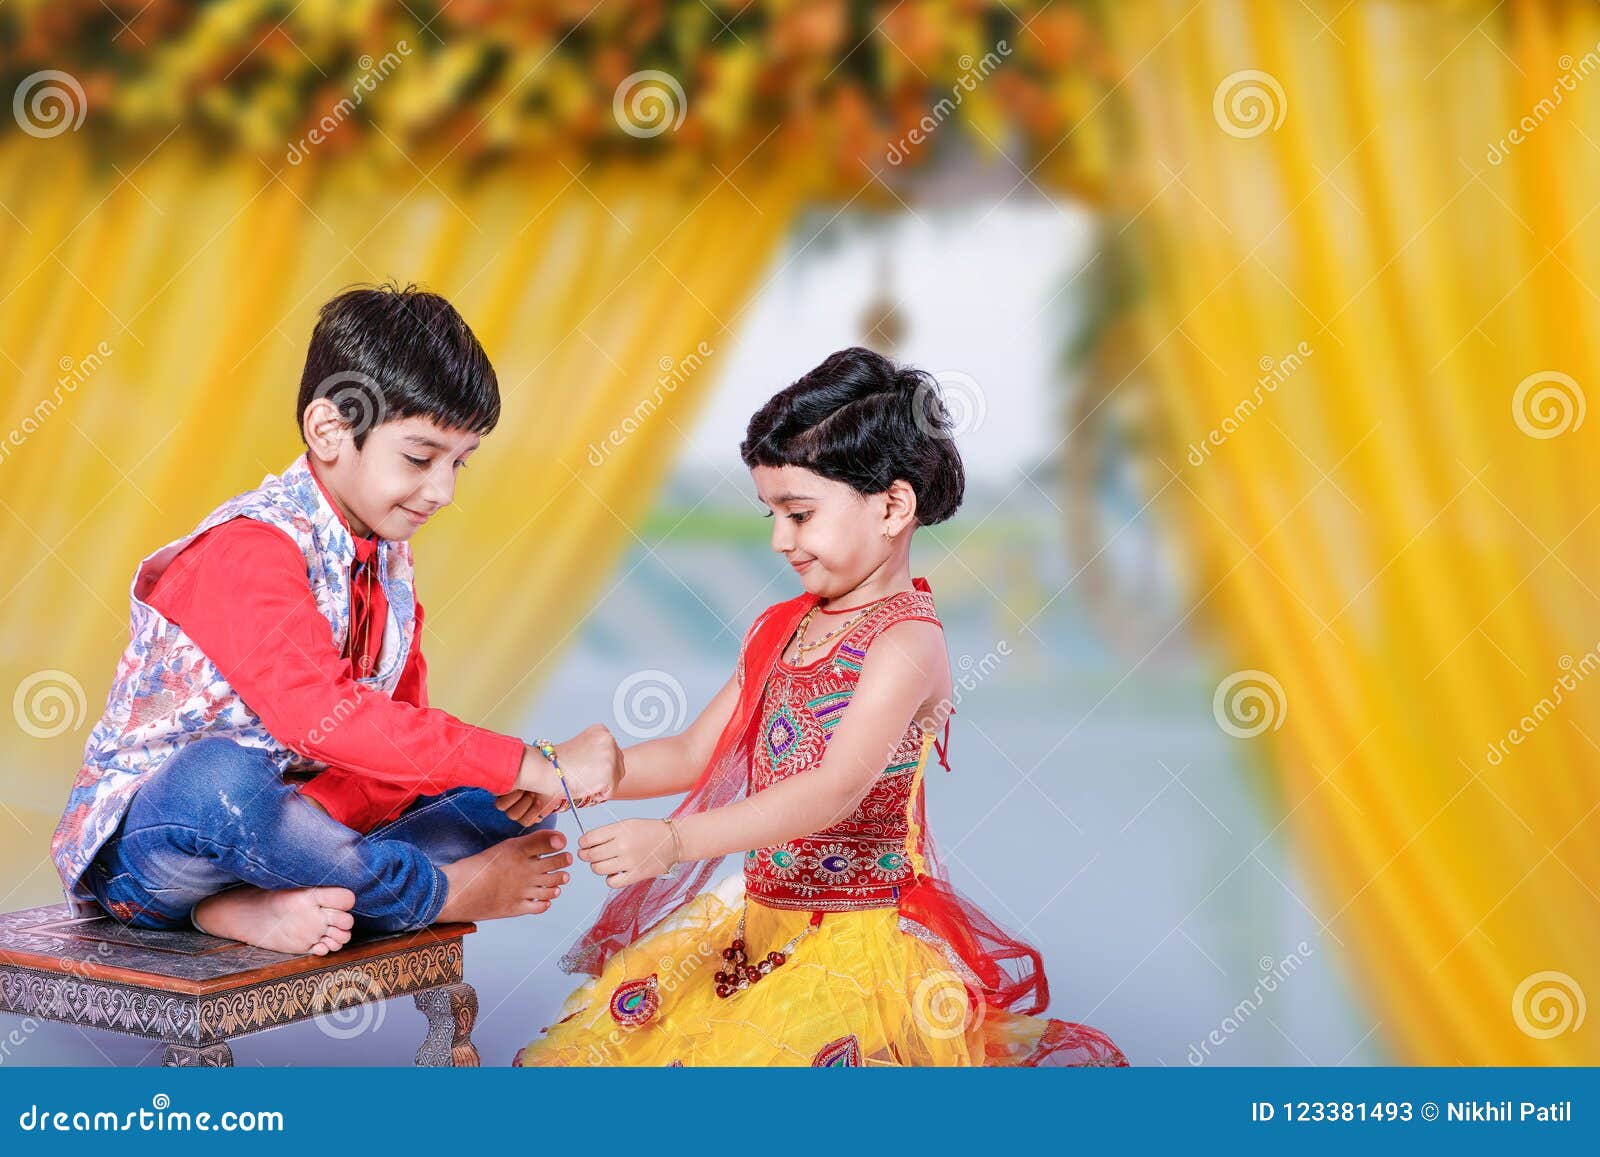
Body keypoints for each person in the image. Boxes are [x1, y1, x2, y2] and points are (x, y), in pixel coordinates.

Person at [515, 347, 1128, 1066]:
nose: (779, 539)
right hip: (754, 924)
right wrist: (575, 771)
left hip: (856, 946)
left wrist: (675, 842)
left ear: (893, 506)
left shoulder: (906, 640)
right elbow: (691, 753)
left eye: (799, 513)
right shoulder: (786, 626)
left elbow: (833, 789)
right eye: (772, 512)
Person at [49, 283, 621, 955]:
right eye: (419, 457)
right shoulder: (249, 546)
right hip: (165, 845)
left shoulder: (388, 563)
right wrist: (527, 760)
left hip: (294, 828)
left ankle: (253, 902)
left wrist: (532, 773)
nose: (443, 490)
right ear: (327, 430)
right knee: (221, 780)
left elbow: (398, 742)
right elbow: (322, 714)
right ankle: (431, 893)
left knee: (501, 807)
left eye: (460, 462)